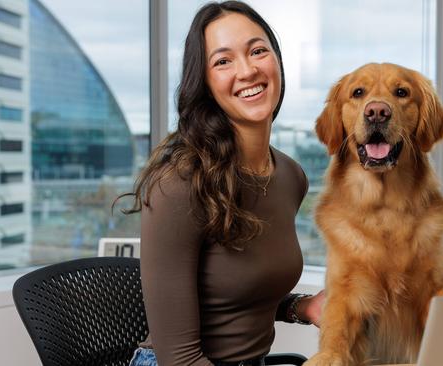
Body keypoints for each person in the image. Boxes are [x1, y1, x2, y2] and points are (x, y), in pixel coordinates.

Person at [122, 2, 324, 365]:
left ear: (276, 61)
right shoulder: (180, 183)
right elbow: (179, 357)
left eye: (258, 51)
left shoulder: (291, 176)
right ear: (205, 83)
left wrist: (302, 307)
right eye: (223, 61)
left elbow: (237, 292)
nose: (247, 70)